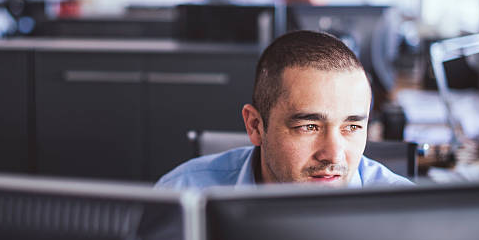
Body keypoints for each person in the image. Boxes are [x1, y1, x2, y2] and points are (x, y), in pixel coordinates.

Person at [156, 30, 413, 189]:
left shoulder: (407, 213)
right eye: (309, 127)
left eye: (352, 127)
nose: (334, 155)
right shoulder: (182, 195)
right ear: (255, 126)